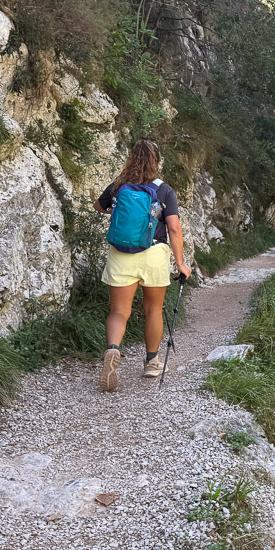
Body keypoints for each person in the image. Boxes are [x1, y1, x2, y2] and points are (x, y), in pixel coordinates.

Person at [94, 139, 192, 391]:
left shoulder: (119, 185)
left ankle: (112, 351)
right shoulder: (164, 190)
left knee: (118, 312)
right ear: (157, 161)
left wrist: (119, 210)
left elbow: (99, 207)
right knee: (153, 310)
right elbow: (174, 227)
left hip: (121, 255)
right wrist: (180, 263)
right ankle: (151, 363)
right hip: (153, 254)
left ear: (130, 158)